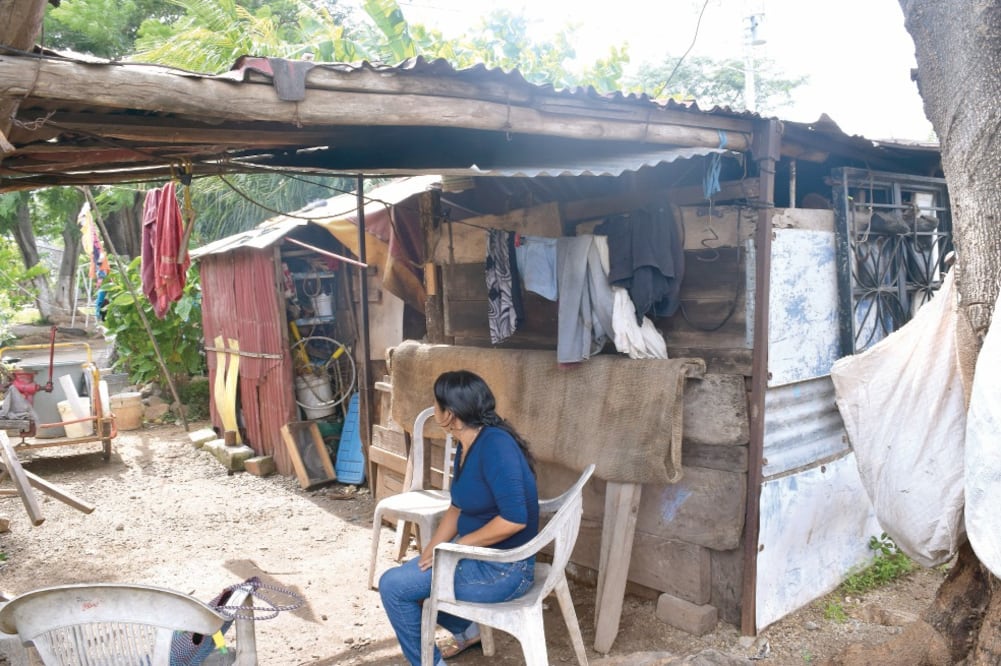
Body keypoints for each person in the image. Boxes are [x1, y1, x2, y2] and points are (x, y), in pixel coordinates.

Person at [379, 370, 539, 666]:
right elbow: (458, 507)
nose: (435, 409)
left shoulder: (495, 446)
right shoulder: (469, 443)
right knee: (413, 578)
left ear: (449, 414)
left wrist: (460, 545)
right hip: (478, 558)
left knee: (393, 587)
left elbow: (514, 520)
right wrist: (433, 550)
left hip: (504, 571)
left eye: (436, 405)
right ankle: (467, 630)